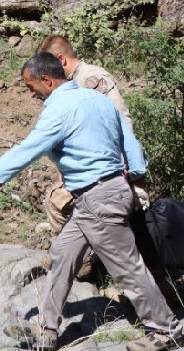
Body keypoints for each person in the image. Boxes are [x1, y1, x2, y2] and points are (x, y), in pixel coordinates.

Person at [0, 53, 183, 351]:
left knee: (126, 268)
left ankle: (166, 329)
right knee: (62, 254)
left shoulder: (59, 109)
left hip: (98, 198)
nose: (30, 92)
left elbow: (28, 150)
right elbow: (130, 140)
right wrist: (136, 175)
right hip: (103, 194)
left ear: (46, 80)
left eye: (31, 85)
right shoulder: (98, 99)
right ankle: (46, 329)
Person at [36, 35, 145, 237]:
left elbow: (121, 119)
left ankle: (85, 259)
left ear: (60, 60)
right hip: (91, 169)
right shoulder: (70, 84)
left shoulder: (90, 78)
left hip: (109, 169)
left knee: (58, 203)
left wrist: (130, 170)